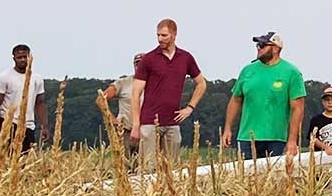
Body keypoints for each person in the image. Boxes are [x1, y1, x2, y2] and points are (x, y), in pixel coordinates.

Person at [131, 19, 206, 167]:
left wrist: (190, 107)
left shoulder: (185, 58)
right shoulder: (149, 59)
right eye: (158, 35)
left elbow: (202, 83)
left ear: (174, 34)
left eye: (164, 35)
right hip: (149, 122)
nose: (160, 39)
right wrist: (136, 124)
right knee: (148, 167)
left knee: (171, 168)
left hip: (173, 121)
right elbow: (135, 93)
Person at [222, 32, 306, 160]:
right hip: (246, 137)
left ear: (276, 48)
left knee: (272, 177)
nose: (258, 48)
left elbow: (298, 109)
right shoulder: (247, 71)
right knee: (246, 178)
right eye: (257, 45)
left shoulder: (291, 73)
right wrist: (227, 128)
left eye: (262, 45)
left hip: (276, 138)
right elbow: (235, 100)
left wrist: (292, 140)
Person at [0, 44, 48, 152]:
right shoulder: (4, 77)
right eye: (19, 57)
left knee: (25, 160)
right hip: (9, 124)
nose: (22, 60)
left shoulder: (37, 79)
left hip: (28, 125)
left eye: (25, 57)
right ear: (14, 59)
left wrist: (44, 126)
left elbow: (40, 103)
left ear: (29, 57)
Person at [102, 53, 144, 157]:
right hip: (126, 131)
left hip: (147, 132)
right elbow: (101, 99)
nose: (139, 66)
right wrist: (111, 118)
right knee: (124, 165)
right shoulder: (124, 83)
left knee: (145, 167)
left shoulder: (156, 83)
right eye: (137, 64)